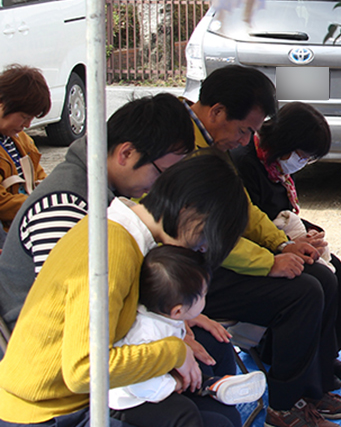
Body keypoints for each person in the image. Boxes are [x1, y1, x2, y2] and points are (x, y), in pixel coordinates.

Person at [0, 152, 250, 427]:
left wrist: (183, 326)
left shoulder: (124, 232)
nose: (200, 251)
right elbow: (83, 371)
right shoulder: (113, 249)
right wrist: (173, 351)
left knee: (217, 405)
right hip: (43, 426)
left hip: (70, 406)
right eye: (203, 241)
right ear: (189, 211)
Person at [183, 65, 341, 427]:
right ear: (216, 112)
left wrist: (284, 245)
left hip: (212, 260)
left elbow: (242, 210)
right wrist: (270, 262)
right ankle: (284, 406)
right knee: (303, 292)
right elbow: (208, 233)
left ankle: (312, 387)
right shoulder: (185, 151)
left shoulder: (212, 148)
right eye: (246, 129)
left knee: (320, 275)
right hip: (189, 273)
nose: (248, 138)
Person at [0, 93, 196, 329]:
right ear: (126, 153)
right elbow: (67, 312)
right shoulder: (65, 205)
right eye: (161, 173)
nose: (159, 186)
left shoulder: (101, 190)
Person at [229, 101, 341, 381]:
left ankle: (325, 354)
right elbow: (249, 223)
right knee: (316, 279)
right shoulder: (242, 165)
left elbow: (280, 214)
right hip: (253, 253)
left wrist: (308, 234)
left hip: (275, 242)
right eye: (303, 155)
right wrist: (285, 246)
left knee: (331, 264)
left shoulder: (277, 169)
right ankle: (306, 367)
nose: (302, 163)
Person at [110, 245, 266, 427]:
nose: (205, 299)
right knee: (184, 414)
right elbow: (140, 385)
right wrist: (174, 384)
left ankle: (212, 384)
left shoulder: (162, 315)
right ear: (177, 310)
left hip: (155, 380)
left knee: (194, 370)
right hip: (131, 401)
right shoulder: (146, 333)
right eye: (202, 296)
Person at [0, 66, 51, 230]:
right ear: (3, 104)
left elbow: (40, 179)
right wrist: (41, 205)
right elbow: (2, 203)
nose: (28, 125)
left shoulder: (22, 140)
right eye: (24, 117)